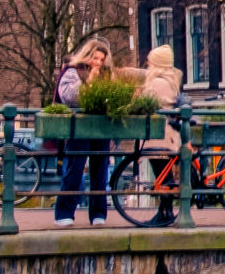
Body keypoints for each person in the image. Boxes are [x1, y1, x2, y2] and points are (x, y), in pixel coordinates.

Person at [116, 44, 185, 224]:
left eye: (151, 61)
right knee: (164, 176)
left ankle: (165, 214)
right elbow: (142, 75)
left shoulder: (157, 83)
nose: (148, 64)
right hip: (167, 135)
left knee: (162, 176)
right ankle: (165, 212)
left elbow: (143, 103)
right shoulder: (170, 79)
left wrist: (133, 98)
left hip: (159, 137)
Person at [53, 40, 114, 226]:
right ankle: (64, 213)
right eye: (95, 58)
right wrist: (90, 81)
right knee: (75, 169)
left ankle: (98, 214)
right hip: (78, 127)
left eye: (101, 59)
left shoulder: (107, 75)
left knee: (100, 171)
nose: (97, 62)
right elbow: (70, 97)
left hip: (100, 127)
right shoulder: (73, 71)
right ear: (87, 55)